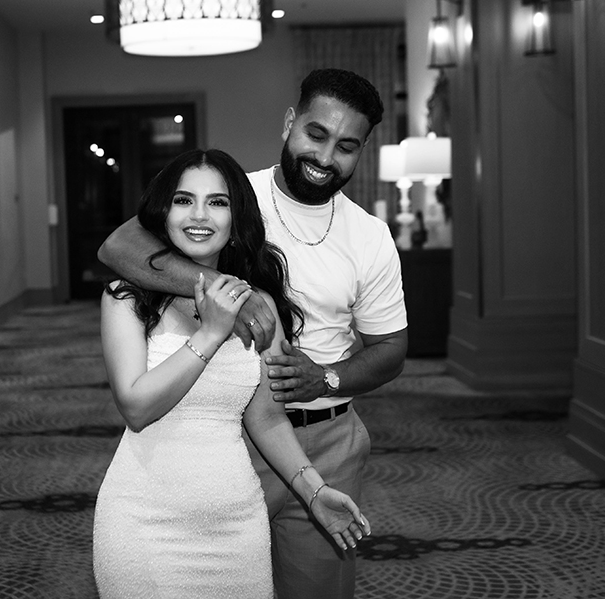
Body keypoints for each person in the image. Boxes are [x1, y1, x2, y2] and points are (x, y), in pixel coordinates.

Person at [97, 68, 408, 599]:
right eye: (316, 134)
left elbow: (393, 350)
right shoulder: (232, 194)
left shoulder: (370, 236)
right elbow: (120, 248)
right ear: (290, 123)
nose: (326, 157)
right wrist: (223, 295)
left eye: (347, 146)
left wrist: (325, 379)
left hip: (320, 434)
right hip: (226, 441)